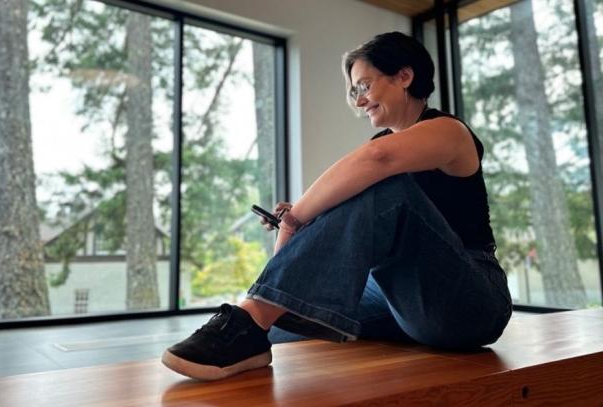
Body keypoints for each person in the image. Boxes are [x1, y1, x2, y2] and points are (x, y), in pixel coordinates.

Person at [161, 31, 512, 381]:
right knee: (285, 321)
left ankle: (247, 317)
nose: (359, 102)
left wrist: (297, 216)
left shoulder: (448, 130)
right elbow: (360, 180)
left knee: (379, 185)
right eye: (354, 92)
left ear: (404, 76)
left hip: (472, 301)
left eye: (364, 86)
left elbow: (378, 158)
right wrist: (297, 225)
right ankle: (252, 327)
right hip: (400, 301)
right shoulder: (380, 146)